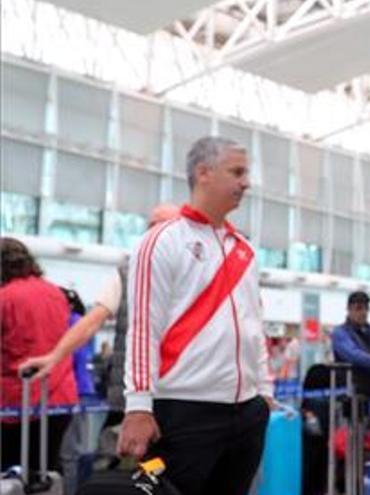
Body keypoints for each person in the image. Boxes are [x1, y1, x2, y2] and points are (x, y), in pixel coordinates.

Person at [115, 137, 272, 495]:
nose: (245, 182)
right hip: (182, 411)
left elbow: (253, 324)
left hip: (247, 413)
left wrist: (263, 391)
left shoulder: (243, 249)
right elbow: (142, 328)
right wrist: (138, 406)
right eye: (237, 172)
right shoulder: (161, 241)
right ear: (204, 173)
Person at [19, 204, 180, 429]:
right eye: (151, 226)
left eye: (164, 225)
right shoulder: (126, 273)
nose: (156, 232)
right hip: (140, 393)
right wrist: (55, 356)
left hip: (189, 391)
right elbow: (92, 321)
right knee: (148, 459)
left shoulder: (200, 272)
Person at [1, 237, 78, 473]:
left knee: (11, 476)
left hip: (17, 401)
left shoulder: (5, 297)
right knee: (47, 470)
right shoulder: (56, 293)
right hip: (60, 397)